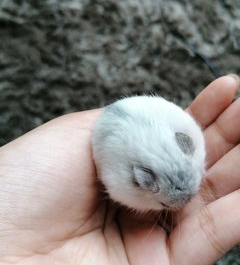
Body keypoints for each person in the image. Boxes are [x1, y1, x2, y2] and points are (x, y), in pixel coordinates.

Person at [0, 75, 239, 265]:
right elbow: (116, 189)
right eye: (166, 204)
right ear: (141, 181)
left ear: (186, 145)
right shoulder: (127, 180)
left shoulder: (186, 135)